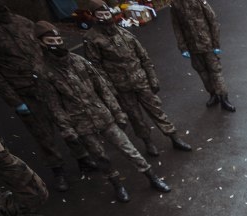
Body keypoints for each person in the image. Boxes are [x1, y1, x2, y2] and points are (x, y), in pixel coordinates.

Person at [35, 22, 171, 204]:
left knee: (128, 149)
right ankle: (117, 185)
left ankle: (152, 177)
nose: (57, 44)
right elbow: (54, 106)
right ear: (42, 44)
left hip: (103, 116)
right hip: (80, 122)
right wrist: (67, 129)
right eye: (51, 41)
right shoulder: (44, 73)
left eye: (59, 40)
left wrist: (118, 112)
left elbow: (103, 89)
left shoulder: (79, 61)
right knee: (101, 157)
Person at [0, 0, 96, 192]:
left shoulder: (22, 22)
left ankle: (83, 157)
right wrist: (14, 100)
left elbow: (44, 47)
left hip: (46, 83)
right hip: (23, 90)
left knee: (67, 122)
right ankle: (58, 170)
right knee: (42, 134)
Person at [82, 0, 192, 157]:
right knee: (135, 117)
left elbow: (143, 57)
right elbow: (96, 69)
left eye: (107, 13)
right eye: (101, 15)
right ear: (93, 16)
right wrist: (111, 90)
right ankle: (148, 143)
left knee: (156, 110)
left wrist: (152, 78)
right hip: (121, 86)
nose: (105, 17)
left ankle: (174, 137)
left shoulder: (123, 33)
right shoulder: (92, 39)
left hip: (140, 81)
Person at [170, 0, 235, 112]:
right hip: (192, 46)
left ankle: (224, 98)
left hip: (207, 43)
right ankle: (213, 94)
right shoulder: (175, 4)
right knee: (202, 72)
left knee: (215, 71)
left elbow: (212, 20)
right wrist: (183, 47)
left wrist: (215, 44)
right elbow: (177, 27)